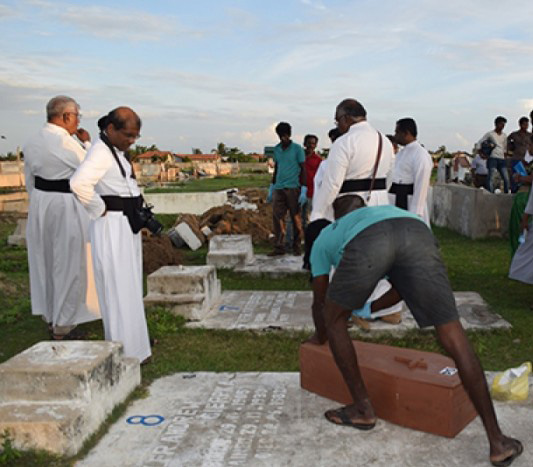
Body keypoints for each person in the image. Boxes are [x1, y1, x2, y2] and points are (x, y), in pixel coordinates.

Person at [308, 195, 523, 467]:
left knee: (334, 320)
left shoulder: (327, 235)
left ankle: (362, 408)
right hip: (418, 231)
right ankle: (497, 441)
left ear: (337, 217)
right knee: (453, 333)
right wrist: (370, 307)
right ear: (363, 209)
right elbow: (402, 287)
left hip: (372, 242)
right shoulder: (384, 212)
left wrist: (321, 335)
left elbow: (320, 301)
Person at [70, 107, 151, 363]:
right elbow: (78, 183)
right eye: (128, 135)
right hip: (111, 225)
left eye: (135, 136)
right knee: (117, 289)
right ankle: (123, 351)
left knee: (129, 286)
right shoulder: (101, 152)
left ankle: (136, 348)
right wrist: (99, 208)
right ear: (111, 129)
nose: (132, 141)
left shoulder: (114, 151)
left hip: (125, 224)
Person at [23, 95, 100, 340]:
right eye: (77, 116)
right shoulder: (65, 142)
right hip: (64, 205)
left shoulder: (32, 140)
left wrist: (39, 200)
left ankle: (51, 315)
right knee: (68, 263)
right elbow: (89, 167)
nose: (78, 121)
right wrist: (86, 143)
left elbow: (29, 180)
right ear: (66, 116)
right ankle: (64, 325)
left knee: (45, 261)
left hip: (41, 203)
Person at [310, 98, 394, 223]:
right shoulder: (385, 141)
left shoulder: (344, 142)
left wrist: (318, 213)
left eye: (337, 121)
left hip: (352, 208)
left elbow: (333, 184)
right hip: (381, 204)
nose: (338, 126)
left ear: (346, 118)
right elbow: (390, 175)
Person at [266, 122, 307, 256]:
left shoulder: (297, 149)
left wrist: (304, 188)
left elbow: (303, 169)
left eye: (285, 135)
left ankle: (296, 246)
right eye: (281, 136)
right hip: (279, 188)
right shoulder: (277, 149)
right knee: (277, 217)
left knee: (295, 217)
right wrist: (272, 186)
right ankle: (279, 246)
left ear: (289, 135)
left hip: (293, 187)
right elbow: (277, 168)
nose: (283, 138)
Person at [388, 118, 433, 225]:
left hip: (410, 201)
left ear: (406, 133)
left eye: (397, 132)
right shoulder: (401, 153)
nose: (395, 136)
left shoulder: (420, 154)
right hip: (396, 199)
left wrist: (416, 211)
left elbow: (422, 183)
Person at [478, 116, 509, 193]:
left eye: (503, 125)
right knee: (491, 176)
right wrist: (481, 153)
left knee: (506, 178)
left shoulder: (504, 135)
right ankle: (490, 193)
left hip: (502, 158)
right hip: (493, 158)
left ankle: (506, 193)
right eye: (501, 124)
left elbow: (505, 147)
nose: (502, 126)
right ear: (496, 124)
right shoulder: (490, 134)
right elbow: (480, 142)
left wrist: (505, 157)